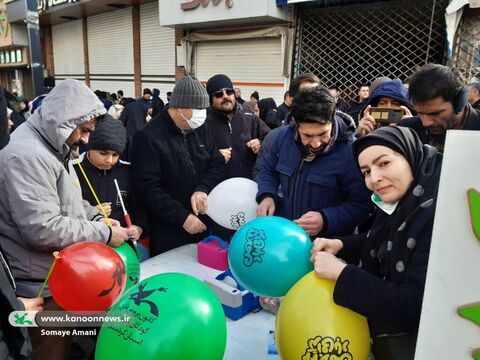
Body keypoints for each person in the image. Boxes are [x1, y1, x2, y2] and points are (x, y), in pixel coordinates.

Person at [0, 79, 131, 360]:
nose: (85, 139)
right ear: (63, 120)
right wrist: (103, 234)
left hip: (59, 279)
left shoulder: (53, 147)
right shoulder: (27, 155)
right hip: (38, 290)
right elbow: (42, 228)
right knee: (49, 353)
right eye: (83, 130)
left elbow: (68, 201)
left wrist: (96, 215)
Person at [310, 126, 442, 360]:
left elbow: (415, 307)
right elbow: (384, 241)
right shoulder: (402, 203)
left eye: (383, 164)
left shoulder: (439, 216)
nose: (374, 179)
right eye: (366, 171)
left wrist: (342, 273)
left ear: (410, 156)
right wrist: (341, 244)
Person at [256, 86, 372, 237]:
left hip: (327, 246)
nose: (316, 143)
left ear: (333, 118)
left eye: (323, 133)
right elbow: (267, 171)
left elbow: (363, 204)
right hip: (284, 237)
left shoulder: (351, 152)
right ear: (296, 123)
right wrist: (267, 195)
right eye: (308, 136)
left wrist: (326, 219)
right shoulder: (282, 138)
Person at [130, 75, 225, 256]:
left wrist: (202, 188)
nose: (202, 113)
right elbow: (147, 188)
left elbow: (217, 164)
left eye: (204, 108)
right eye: (197, 108)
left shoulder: (202, 129)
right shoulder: (149, 137)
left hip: (205, 221)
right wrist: (181, 216)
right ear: (179, 107)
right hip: (169, 229)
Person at [72, 115, 147, 240]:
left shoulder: (128, 171)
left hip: (123, 243)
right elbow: (65, 209)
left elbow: (140, 206)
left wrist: (139, 227)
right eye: (103, 153)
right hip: (85, 243)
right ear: (90, 146)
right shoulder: (74, 170)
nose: (109, 160)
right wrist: (92, 213)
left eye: (115, 154)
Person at [398, 64, 480, 153]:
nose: (425, 123)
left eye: (434, 113)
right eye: (420, 113)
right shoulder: (407, 130)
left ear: (459, 101)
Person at [206, 74, 269, 179]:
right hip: (221, 189)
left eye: (229, 91)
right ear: (211, 101)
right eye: (219, 94)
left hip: (250, 186)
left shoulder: (251, 120)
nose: (225, 96)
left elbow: (273, 139)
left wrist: (261, 143)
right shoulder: (205, 127)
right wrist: (215, 157)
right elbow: (197, 160)